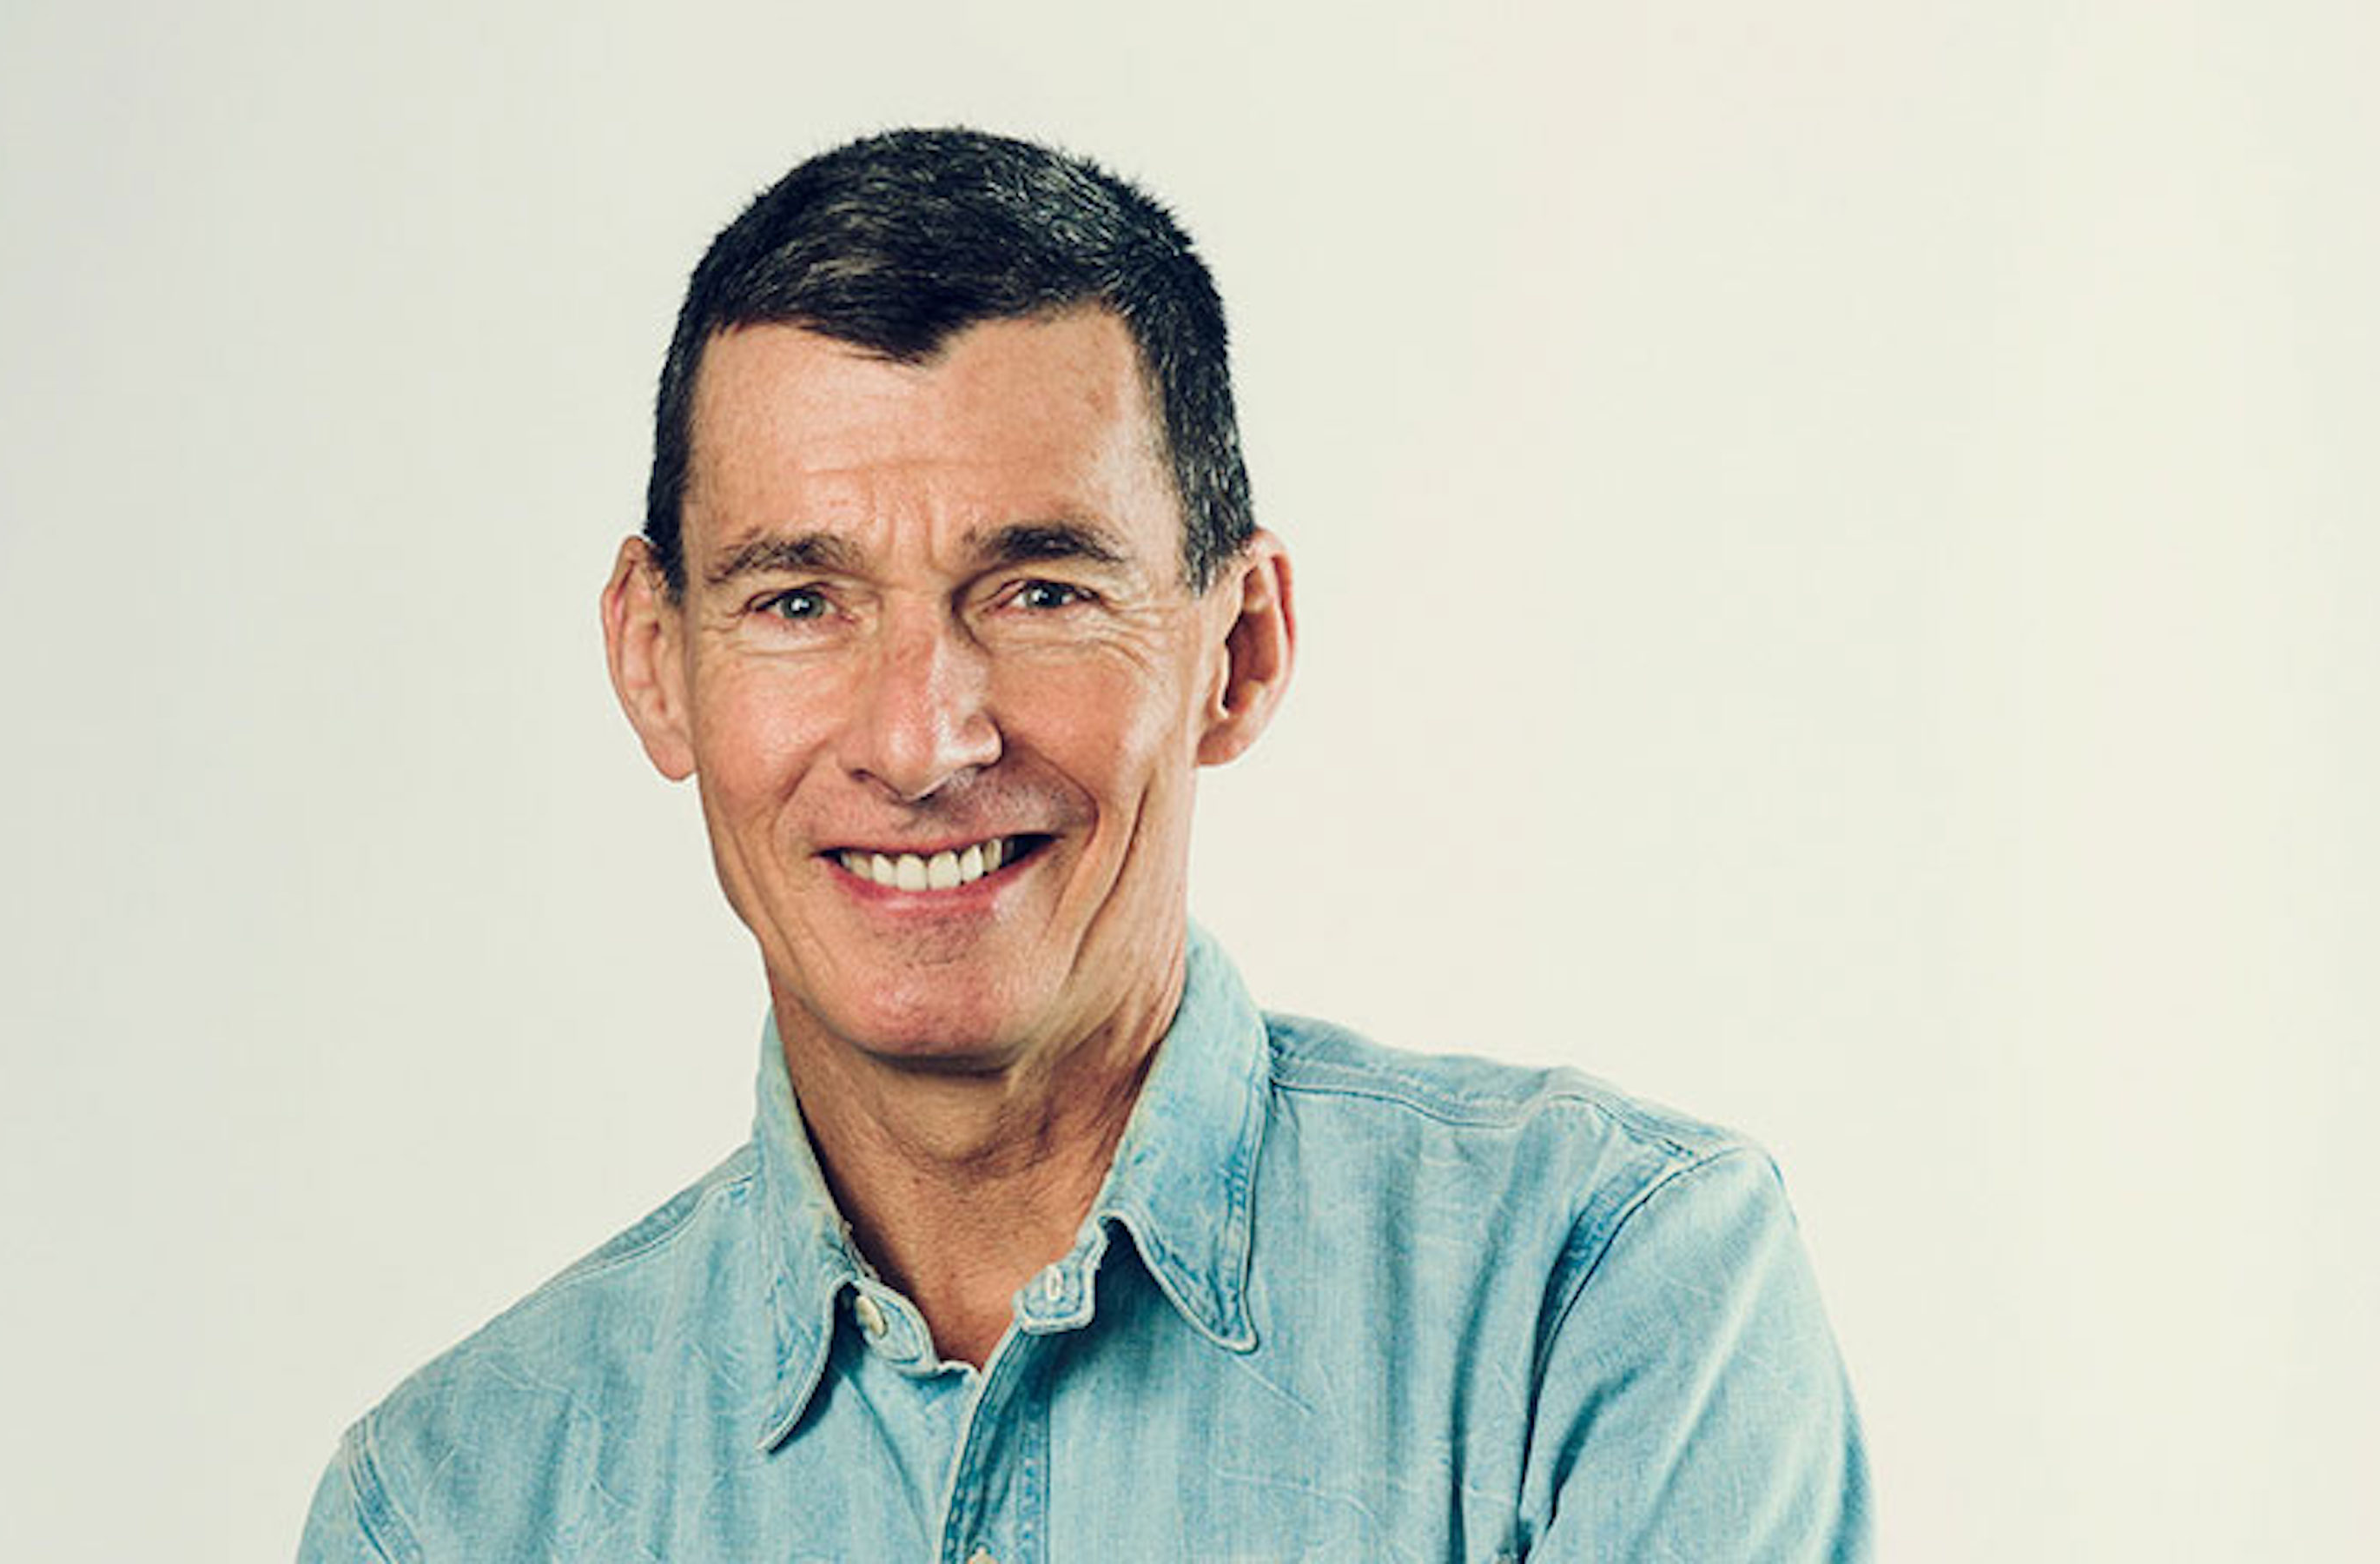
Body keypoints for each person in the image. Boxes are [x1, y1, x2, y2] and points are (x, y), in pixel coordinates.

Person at [297, 127, 1870, 1562]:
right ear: (657, 664)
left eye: (1041, 592)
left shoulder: (1598, 1306)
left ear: (1235, 651)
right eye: (800, 601)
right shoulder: (452, 1508)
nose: (921, 742)